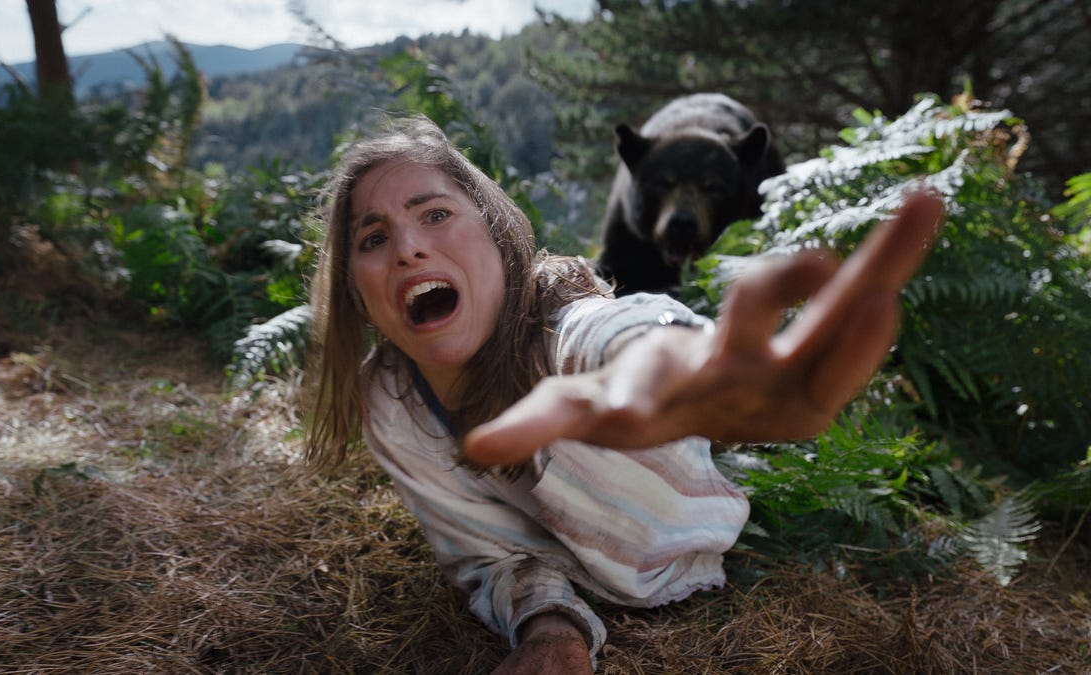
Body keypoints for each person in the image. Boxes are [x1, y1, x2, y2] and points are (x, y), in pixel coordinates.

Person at [303, 116, 945, 674]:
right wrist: (552, 627)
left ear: (497, 236)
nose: (410, 247)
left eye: (435, 214)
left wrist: (671, 359)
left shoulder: (565, 332)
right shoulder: (388, 401)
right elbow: (484, 554)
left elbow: (621, 333)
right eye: (374, 237)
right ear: (356, 287)